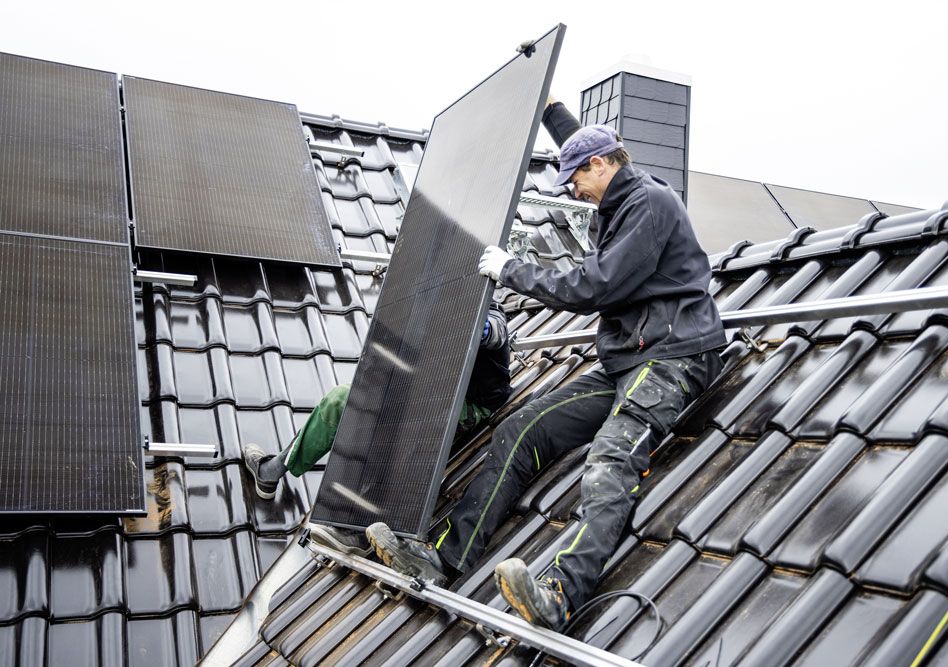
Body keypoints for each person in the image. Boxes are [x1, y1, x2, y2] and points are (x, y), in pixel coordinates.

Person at [366, 97, 725, 630]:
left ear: (602, 166)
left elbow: (595, 286)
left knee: (610, 459)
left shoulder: (649, 204)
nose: (572, 192)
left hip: (673, 357)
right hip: (629, 359)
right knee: (521, 429)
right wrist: (550, 109)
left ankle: (559, 591)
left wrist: (514, 270)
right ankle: (443, 558)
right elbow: (585, 144)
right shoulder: (618, 192)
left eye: (576, 180)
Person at [242, 299, 511, 555]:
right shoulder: (426, 300)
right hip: (420, 386)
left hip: (468, 402)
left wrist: (477, 326)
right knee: (342, 398)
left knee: (412, 415)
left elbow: (495, 329)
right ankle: (273, 470)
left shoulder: (486, 305)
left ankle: (361, 527)